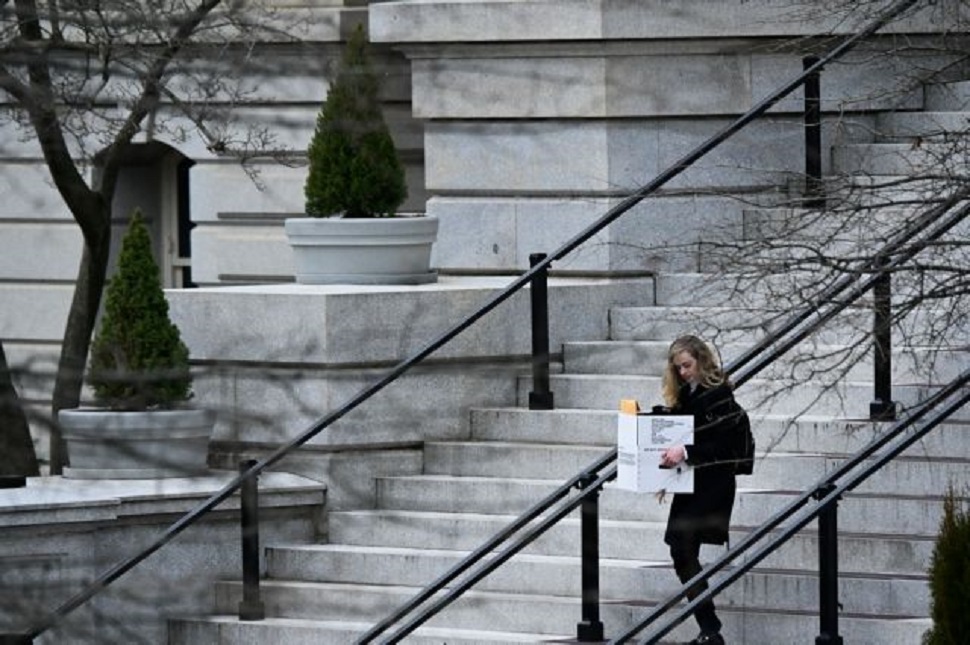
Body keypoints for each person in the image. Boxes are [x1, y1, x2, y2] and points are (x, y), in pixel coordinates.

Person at [657, 335, 746, 645]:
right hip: (693, 480)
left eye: (687, 365)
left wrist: (686, 452)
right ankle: (710, 629)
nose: (683, 372)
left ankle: (710, 629)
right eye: (678, 367)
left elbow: (724, 444)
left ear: (701, 361)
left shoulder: (718, 394)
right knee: (680, 550)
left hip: (712, 482)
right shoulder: (688, 393)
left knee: (682, 546)